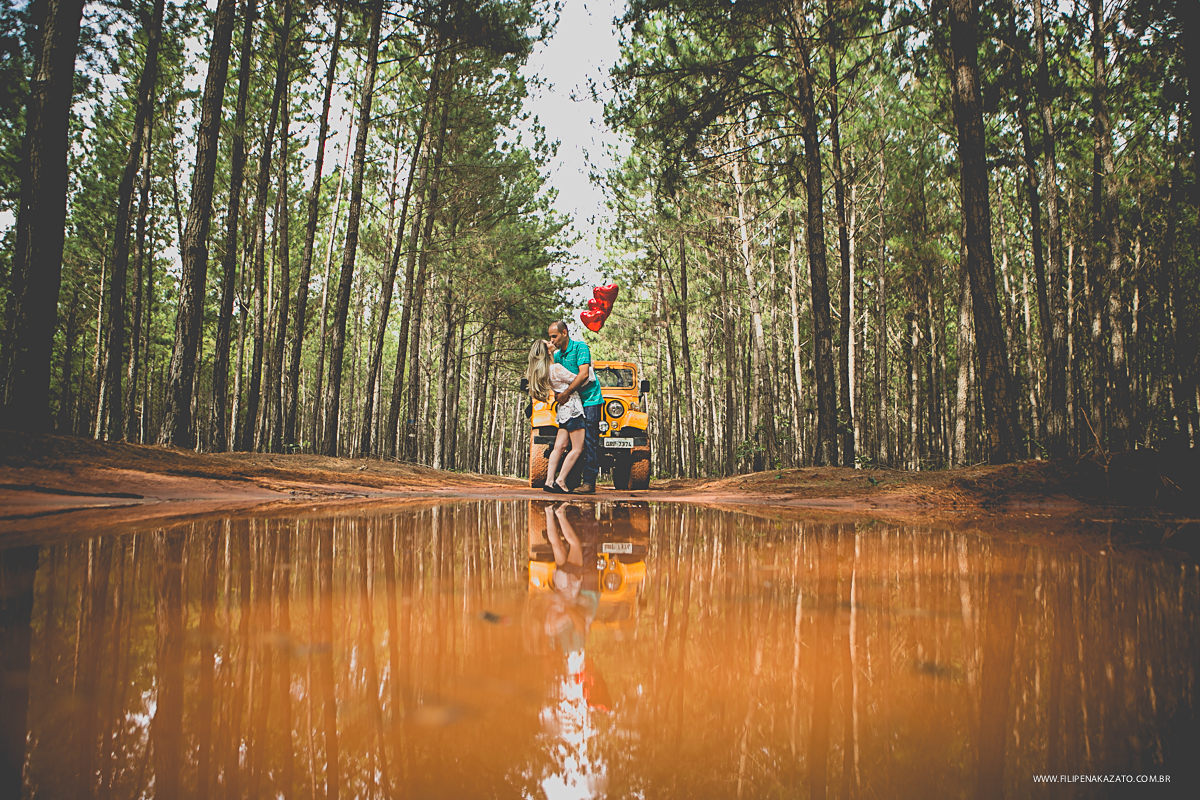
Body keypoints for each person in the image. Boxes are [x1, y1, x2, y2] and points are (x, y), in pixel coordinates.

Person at [526, 339, 592, 493]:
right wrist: (589, 367)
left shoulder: (545, 371)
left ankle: (549, 481)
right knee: (578, 448)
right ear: (547, 350)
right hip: (573, 410)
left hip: (563, 412)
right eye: (548, 342)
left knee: (559, 447)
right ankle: (561, 480)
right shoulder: (555, 368)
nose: (552, 342)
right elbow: (580, 380)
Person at [548, 320, 603, 494]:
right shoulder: (558, 356)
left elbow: (584, 374)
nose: (552, 340)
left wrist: (565, 393)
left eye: (554, 336)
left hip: (590, 400)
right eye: (550, 337)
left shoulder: (580, 348)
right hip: (572, 403)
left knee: (590, 440)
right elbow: (556, 377)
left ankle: (589, 482)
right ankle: (570, 481)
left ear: (564, 333)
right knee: (572, 442)